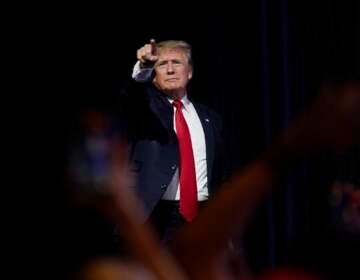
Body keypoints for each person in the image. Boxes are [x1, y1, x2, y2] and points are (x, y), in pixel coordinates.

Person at [118, 39, 226, 242]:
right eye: (161, 64)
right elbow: (130, 95)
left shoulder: (211, 118)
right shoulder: (145, 110)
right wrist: (143, 66)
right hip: (157, 217)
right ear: (153, 76)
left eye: (176, 63)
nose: (169, 70)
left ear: (190, 72)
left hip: (202, 215)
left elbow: (220, 172)